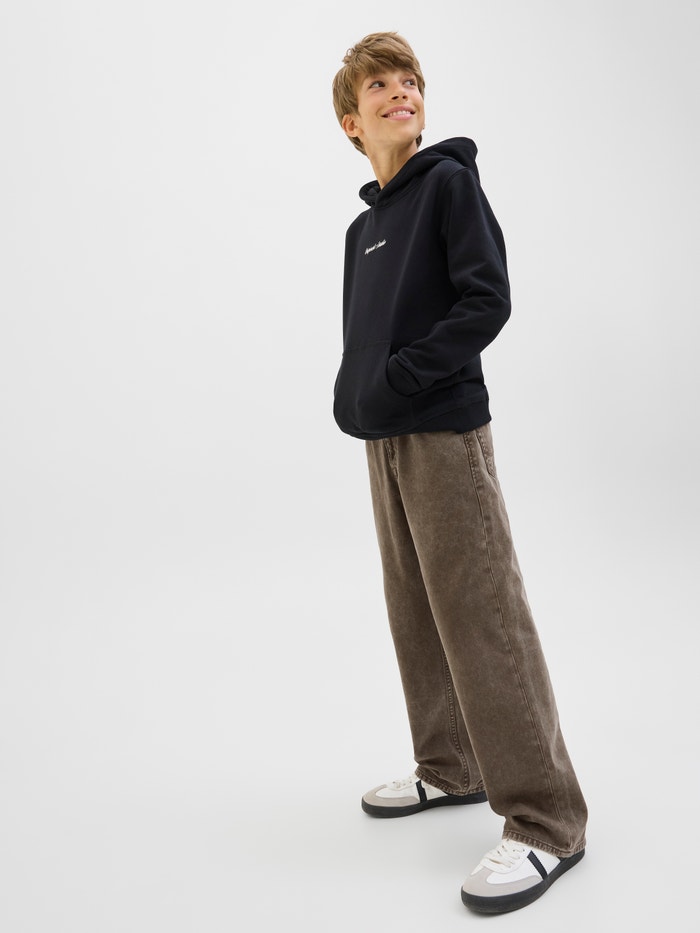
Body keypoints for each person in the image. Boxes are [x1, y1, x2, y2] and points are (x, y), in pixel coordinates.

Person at [330, 32, 588, 914]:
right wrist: (357, 394)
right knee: (415, 608)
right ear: (351, 121)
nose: (400, 92)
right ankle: (451, 765)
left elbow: (487, 299)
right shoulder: (364, 228)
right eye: (379, 85)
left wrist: (403, 378)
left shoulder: (449, 185)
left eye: (409, 81)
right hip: (386, 440)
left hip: (443, 429)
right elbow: (364, 337)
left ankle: (548, 819)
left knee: (481, 613)